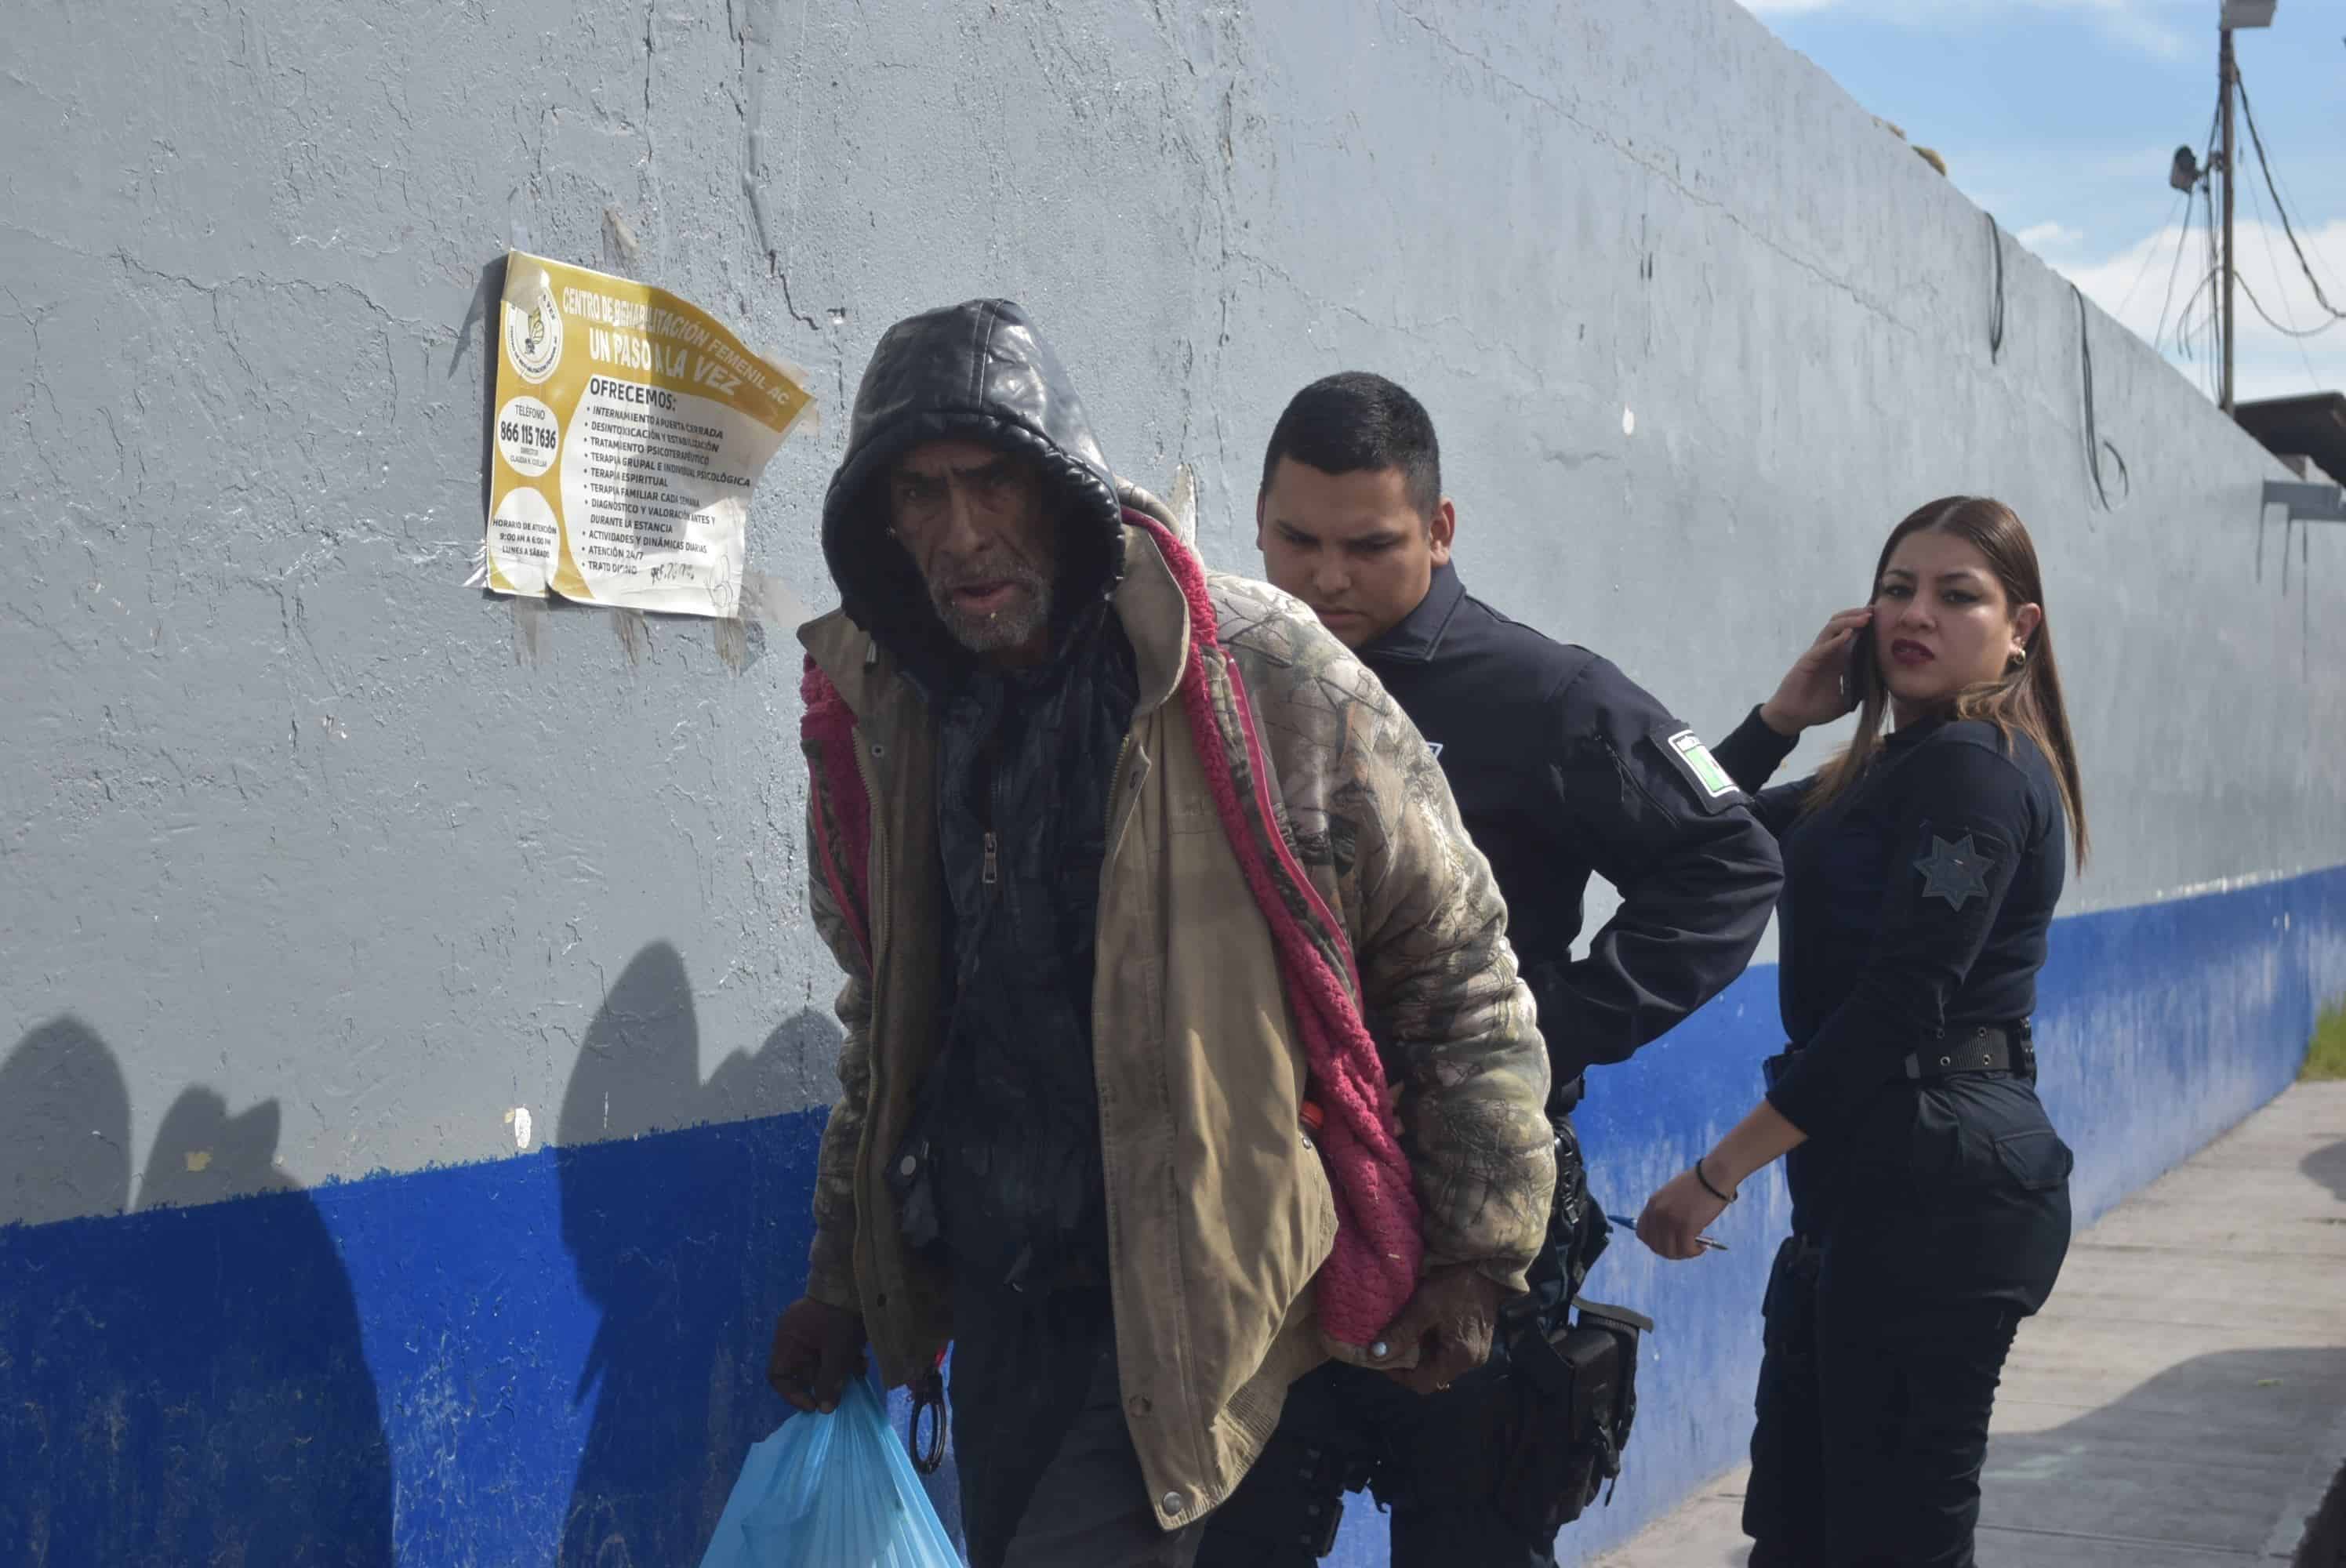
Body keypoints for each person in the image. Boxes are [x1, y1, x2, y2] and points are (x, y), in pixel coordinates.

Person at [761, 300, 1557, 1568]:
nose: (962, 535)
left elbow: (1454, 969)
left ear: (1064, 487)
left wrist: (1483, 1249)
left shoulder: (1259, 674)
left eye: (993, 484)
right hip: (1004, 1293)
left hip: (1202, 1286)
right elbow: (893, 1010)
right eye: (919, 495)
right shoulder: (889, 704)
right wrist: (847, 1277)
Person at [1200, 372, 1785, 1567]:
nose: (1325, 578)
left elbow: (1730, 858)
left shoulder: (1547, 696)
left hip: (1477, 1216)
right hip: (1264, 1211)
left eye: (1371, 545)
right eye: (1295, 540)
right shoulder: (1221, 683)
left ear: (1441, 529)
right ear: (1257, 524)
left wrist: (1548, 1028)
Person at [1636, 495, 2086, 1567]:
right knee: (1802, 1526)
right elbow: (1681, 826)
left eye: (1955, 594)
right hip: (1877, 1183)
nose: (1914, 614)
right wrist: (1778, 716)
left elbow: (1898, 1007)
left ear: (2019, 625)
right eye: (1897, 588)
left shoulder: (1974, 769)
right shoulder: (1879, 771)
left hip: (1942, 1191)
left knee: (1889, 1539)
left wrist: (1716, 1173)